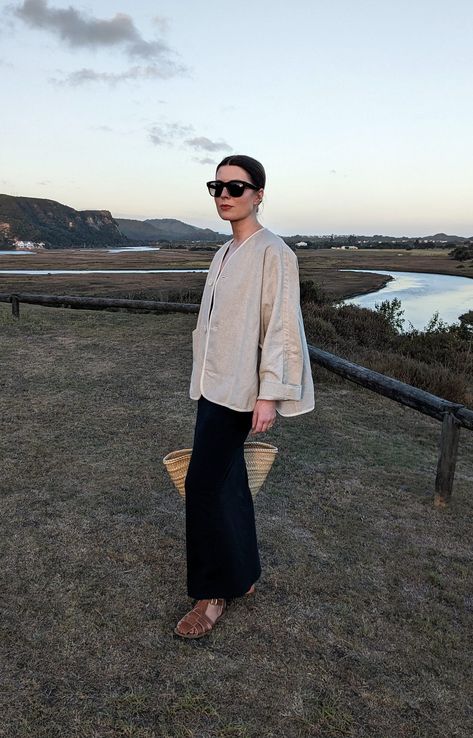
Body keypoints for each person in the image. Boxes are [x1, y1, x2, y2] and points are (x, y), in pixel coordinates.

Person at [174, 154, 314, 639]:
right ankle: (243, 574)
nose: (225, 195)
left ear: (258, 194)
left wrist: (270, 394)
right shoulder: (224, 252)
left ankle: (212, 596)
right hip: (215, 384)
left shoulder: (274, 252)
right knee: (229, 484)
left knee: (204, 487)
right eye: (217, 187)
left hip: (244, 391)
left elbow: (281, 327)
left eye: (236, 187)